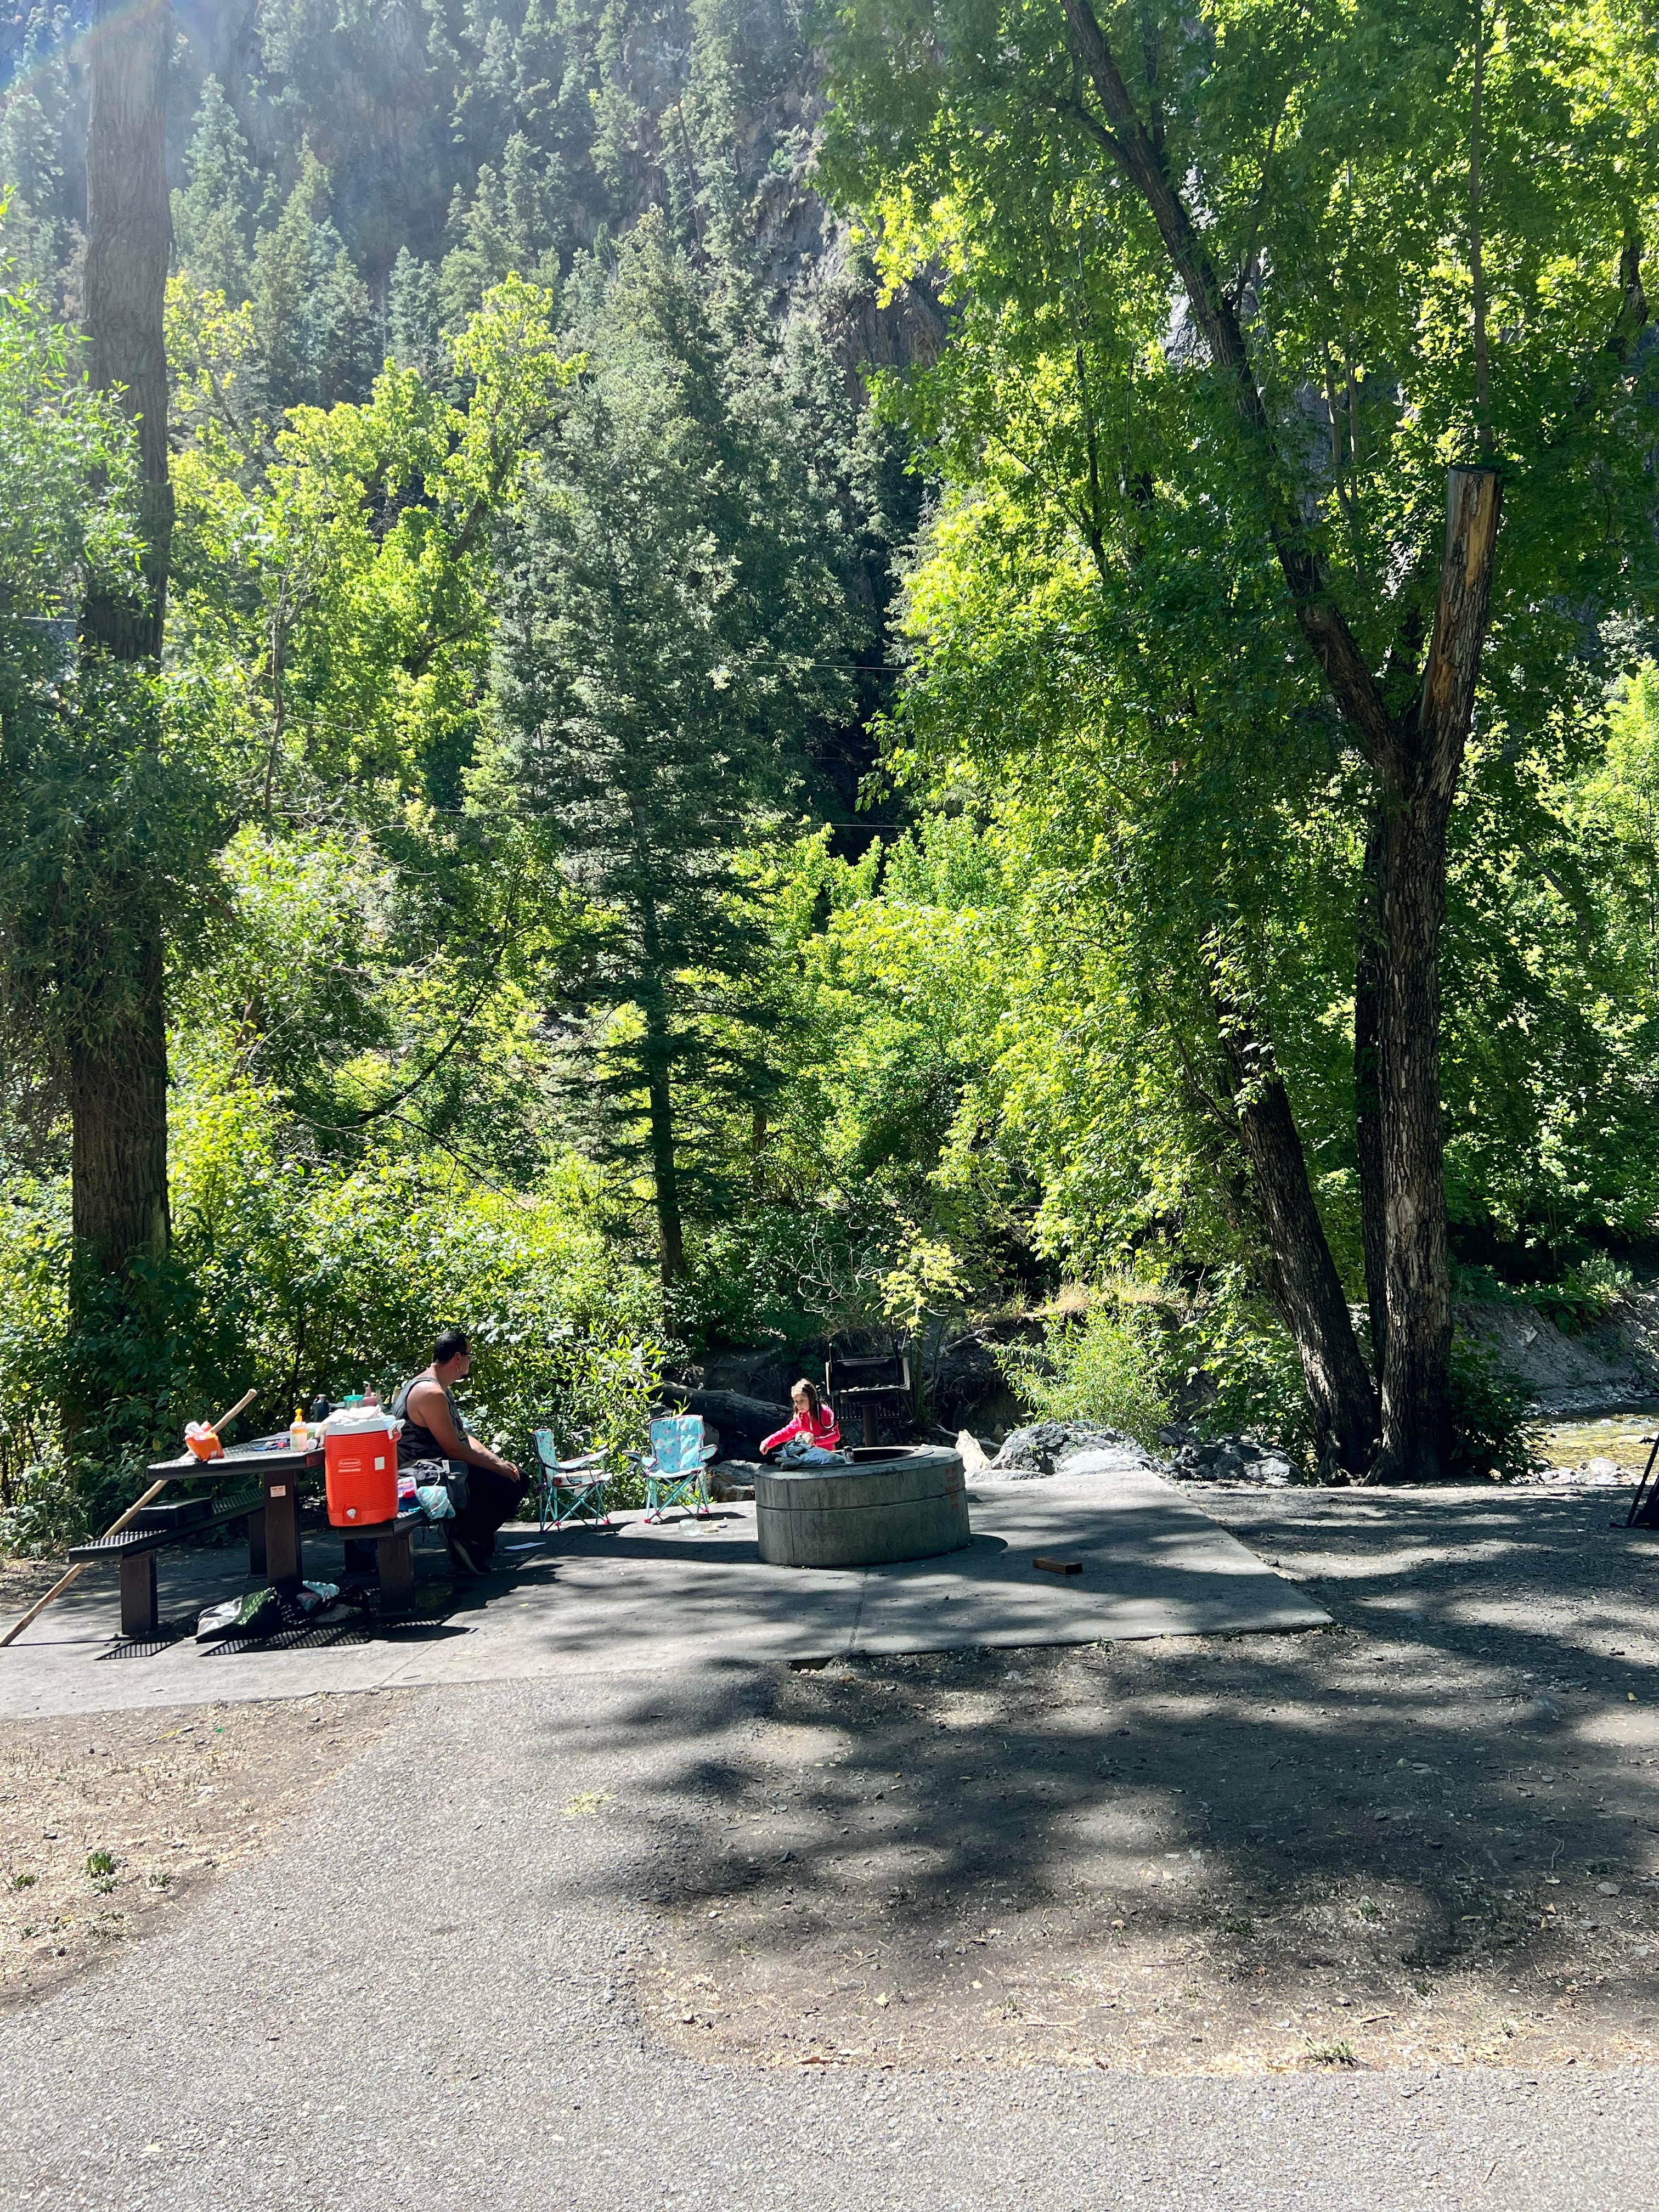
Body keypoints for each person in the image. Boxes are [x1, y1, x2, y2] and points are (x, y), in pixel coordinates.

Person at [392, 1328, 523, 1576]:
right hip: (422, 1473)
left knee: (518, 1477)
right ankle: (461, 1535)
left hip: (442, 1465)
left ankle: (474, 1540)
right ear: (458, 1358)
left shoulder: (441, 1388)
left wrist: (499, 1462)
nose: (471, 1361)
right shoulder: (430, 1393)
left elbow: (463, 1438)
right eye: (470, 1355)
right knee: (507, 1486)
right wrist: (497, 1469)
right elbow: (454, 1449)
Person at [759, 1379, 842, 1459]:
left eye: (802, 1400)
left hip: (827, 1456)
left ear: (812, 1398)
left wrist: (815, 1440)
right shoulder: (800, 1416)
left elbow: (836, 1435)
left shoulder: (825, 1412)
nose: (799, 1405)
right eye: (796, 1401)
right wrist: (768, 1442)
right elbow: (788, 1432)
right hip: (808, 1456)